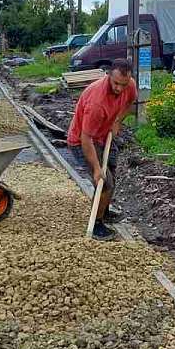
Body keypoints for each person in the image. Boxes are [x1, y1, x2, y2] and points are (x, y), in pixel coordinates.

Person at [66, 58, 137, 241]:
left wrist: (117, 121)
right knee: (105, 182)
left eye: (124, 84)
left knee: (112, 169)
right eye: (116, 84)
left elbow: (130, 101)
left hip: (104, 134)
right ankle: (96, 225)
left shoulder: (129, 85)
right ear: (108, 76)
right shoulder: (97, 102)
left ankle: (104, 211)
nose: (120, 89)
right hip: (82, 141)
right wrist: (97, 169)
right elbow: (85, 138)